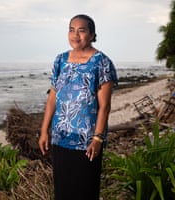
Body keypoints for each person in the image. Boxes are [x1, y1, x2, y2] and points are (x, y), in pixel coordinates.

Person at [39, 14, 118, 200]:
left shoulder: (102, 63)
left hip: (87, 140)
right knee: (63, 191)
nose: (75, 35)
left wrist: (98, 139)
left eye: (81, 30)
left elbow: (104, 106)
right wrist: (44, 131)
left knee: (85, 190)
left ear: (92, 35)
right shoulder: (60, 60)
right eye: (71, 30)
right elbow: (52, 98)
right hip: (60, 136)